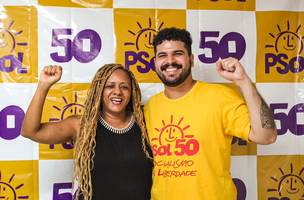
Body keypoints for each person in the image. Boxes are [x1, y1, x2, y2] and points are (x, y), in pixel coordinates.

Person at [144, 27, 277, 200]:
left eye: (177, 53)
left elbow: (266, 136)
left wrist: (243, 81)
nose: (170, 61)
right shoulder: (150, 107)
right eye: (162, 55)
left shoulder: (219, 97)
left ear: (191, 60)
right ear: (155, 62)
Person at [21, 64, 153, 200]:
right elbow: (30, 131)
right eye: (110, 86)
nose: (117, 92)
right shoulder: (81, 126)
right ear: (99, 90)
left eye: (124, 87)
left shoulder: (145, 124)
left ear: (132, 92)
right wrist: (43, 85)